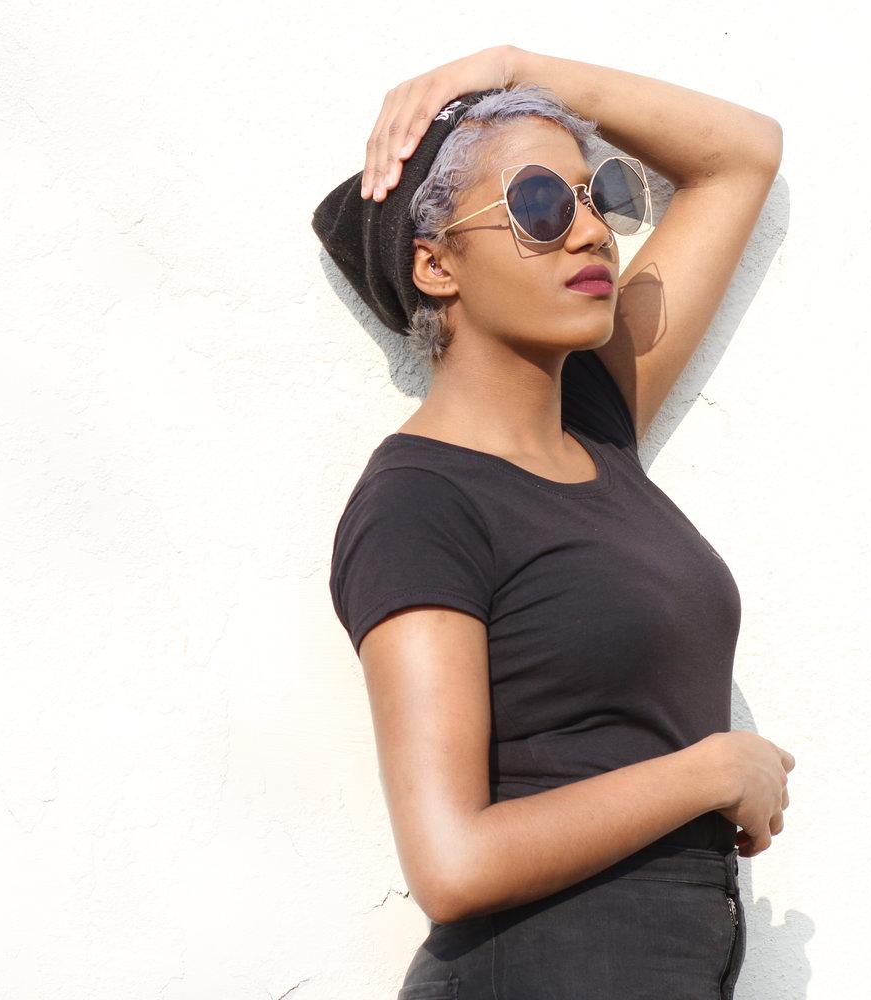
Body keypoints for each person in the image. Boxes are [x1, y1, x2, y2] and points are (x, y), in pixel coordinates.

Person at [311, 47, 794, 999]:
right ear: (435, 263)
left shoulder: (598, 433)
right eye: (538, 205)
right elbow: (450, 864)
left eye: (599, 196)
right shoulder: (417, 504)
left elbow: (743, 155)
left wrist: (514, 69)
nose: (589, 234)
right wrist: (708, 773)